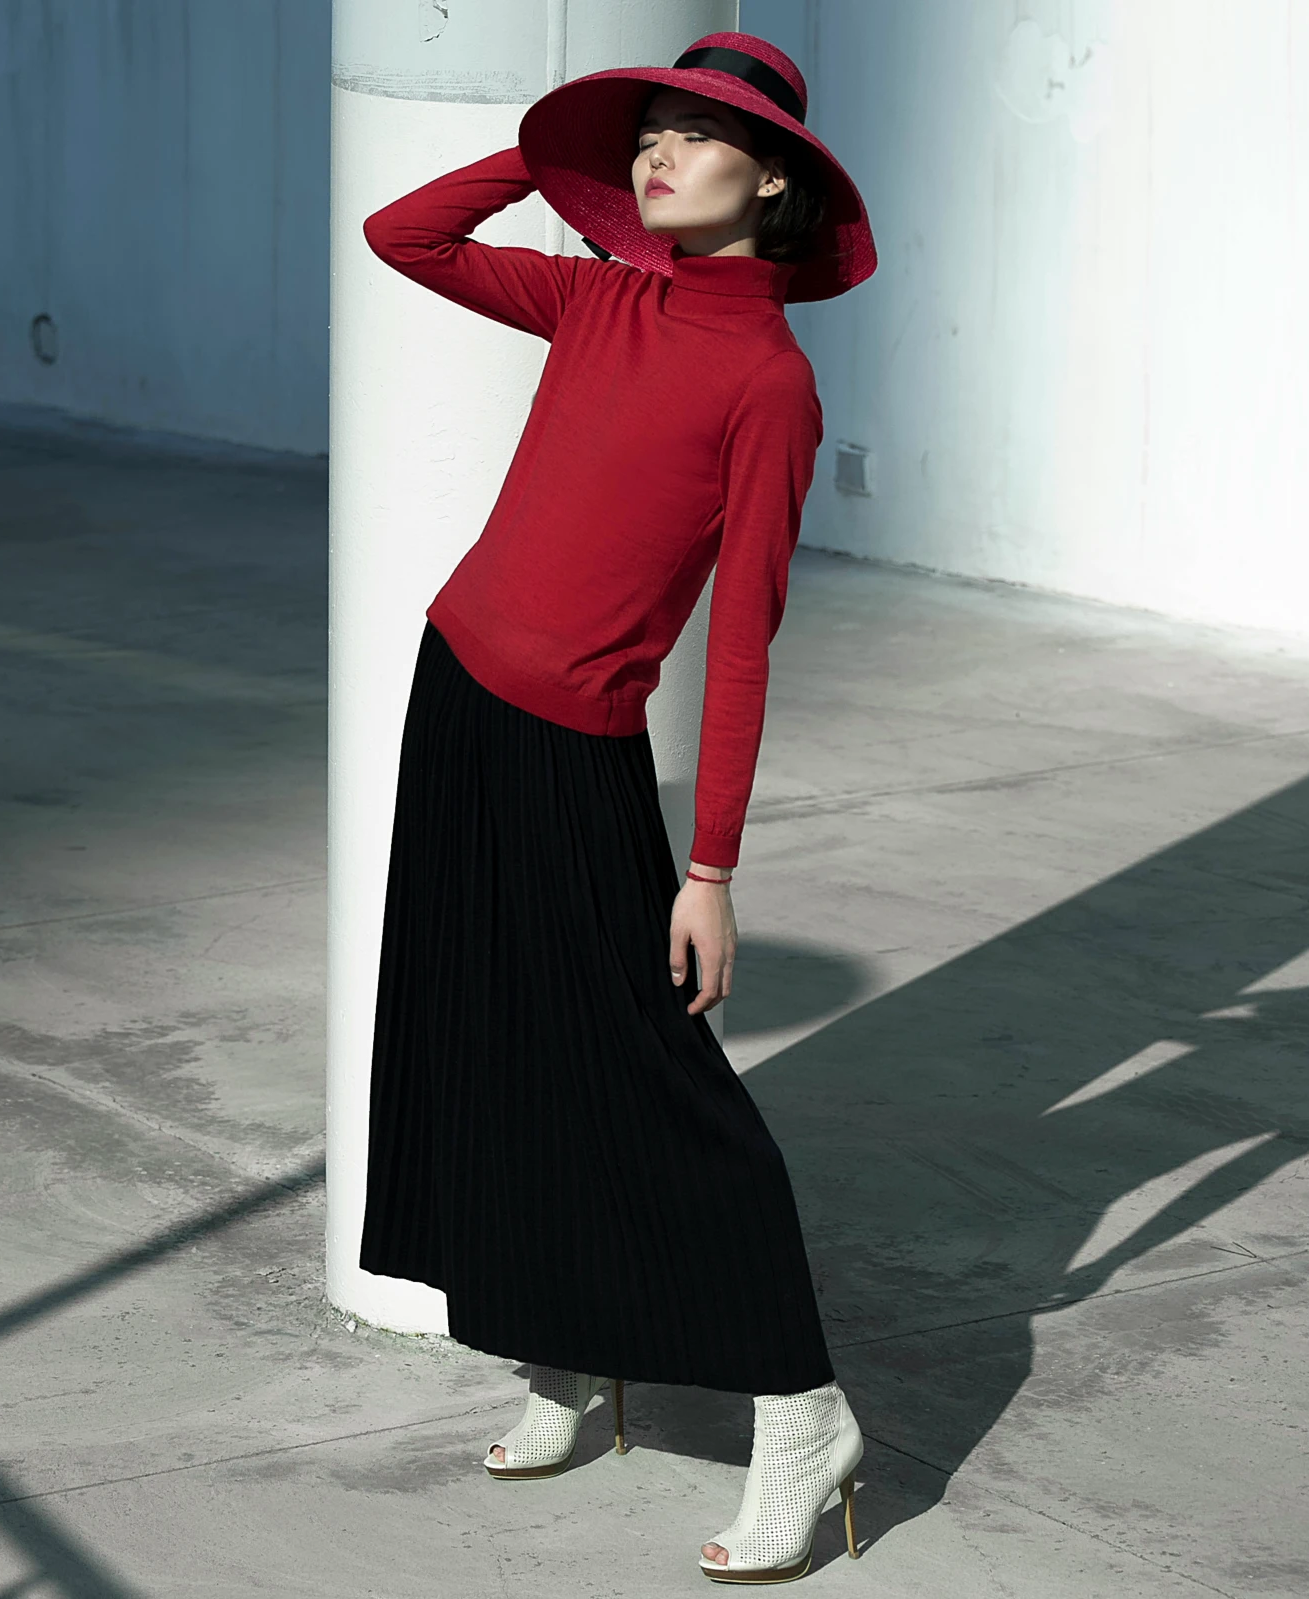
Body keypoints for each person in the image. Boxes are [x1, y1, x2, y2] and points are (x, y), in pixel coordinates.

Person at [356, 32, 876, 1585]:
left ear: (768, 176)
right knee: (481, 1031)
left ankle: (801, 1407)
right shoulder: (596, 295)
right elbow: (406, 238)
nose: (658, 155)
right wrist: (552, 156)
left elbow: (746, 641)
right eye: (644, 134)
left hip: (575, 740)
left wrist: (707, 864)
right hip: (454, 685)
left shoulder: (767, 382)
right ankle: (570, 1350)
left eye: (693, 137)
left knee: (649, 1071)